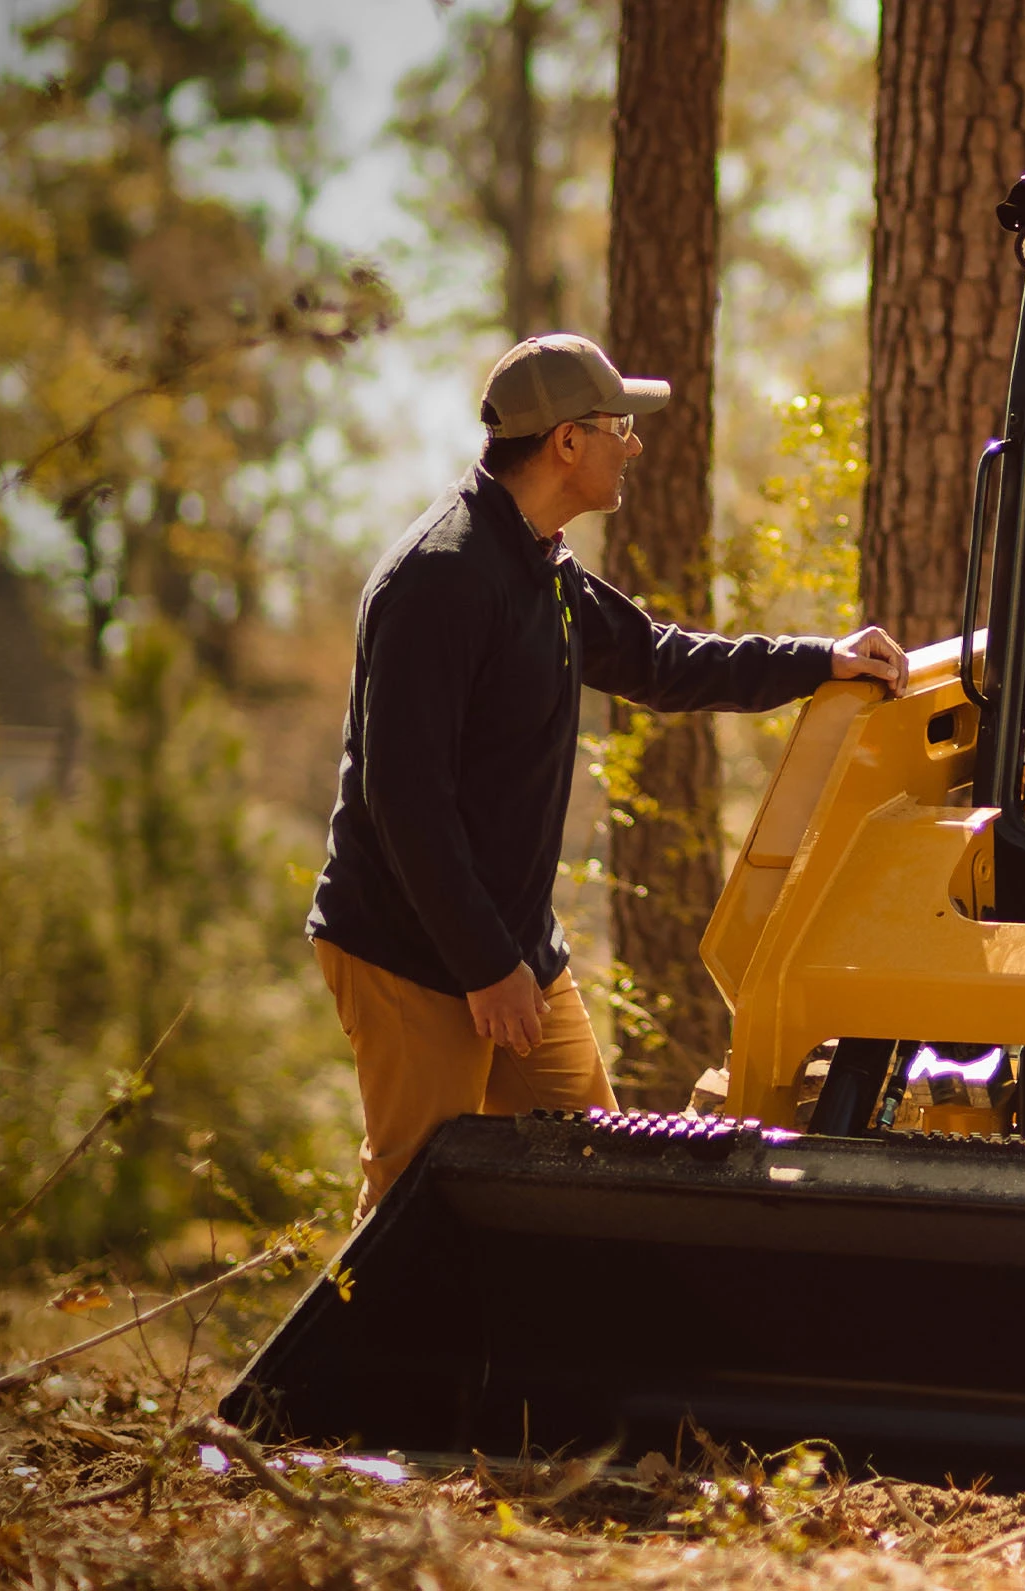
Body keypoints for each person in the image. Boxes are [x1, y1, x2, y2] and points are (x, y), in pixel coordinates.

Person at [307, 334, 906, 1218]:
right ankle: (334, 1363)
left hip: (512, 953)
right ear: (566, 443)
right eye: (620, 426)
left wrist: (821, 660)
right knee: (410, 1209)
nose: (635, 443)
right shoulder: (442, 578)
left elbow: (660, 661)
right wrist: (483, 964)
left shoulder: (540, 562)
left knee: (594, 1175)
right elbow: (405, 801)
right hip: (412, 955)